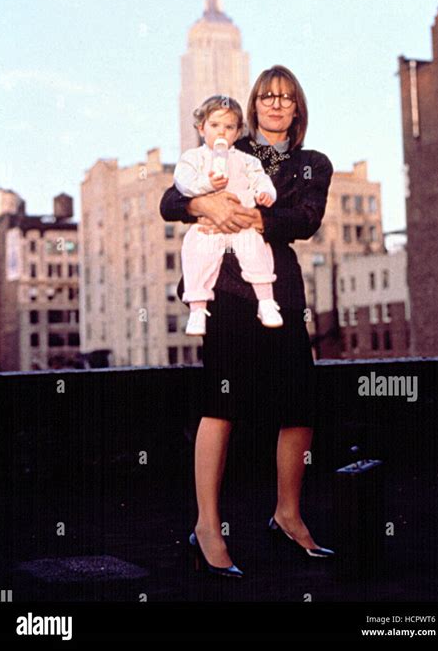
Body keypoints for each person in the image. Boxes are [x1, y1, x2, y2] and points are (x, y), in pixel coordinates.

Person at [159, 65, 335, 577]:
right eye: (266, 96)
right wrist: (202, 201)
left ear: (297, 108)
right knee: (220, 404)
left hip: (281, 293)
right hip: (227, 295)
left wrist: (248, 215)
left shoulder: (312, 164)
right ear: (252, 106)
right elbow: (171, 201)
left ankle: (287, 515)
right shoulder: (229, 147)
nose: (276, 104)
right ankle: (207, 528)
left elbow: (304, 219)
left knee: (299, 406)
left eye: (286, 97)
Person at [173, 94, 283, 336]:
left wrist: (266, 193)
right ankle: (198, 308)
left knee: (256, 251)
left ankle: (265, 301)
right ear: (202, 128)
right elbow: (182, 183)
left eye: (229, 127)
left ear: (237, 132)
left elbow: (260, 179)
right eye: (214, 125)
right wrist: (205, 184)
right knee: (197, 255)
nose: (221, 132)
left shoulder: (246, 160)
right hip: (209, 225)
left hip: (242, 224)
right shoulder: (193, 158)